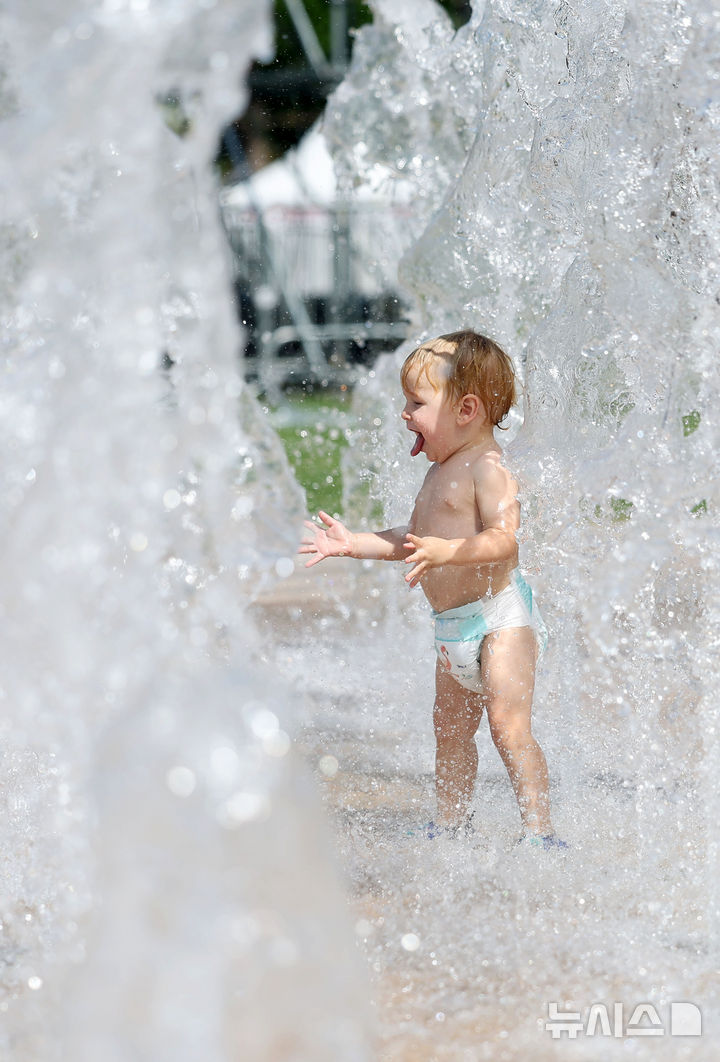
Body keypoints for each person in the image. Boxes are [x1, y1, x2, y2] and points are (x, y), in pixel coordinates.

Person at [299, 330, 565, 849]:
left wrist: (448, 551)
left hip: (498, 621)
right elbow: (413, 540)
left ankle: (538, 831)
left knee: (508, 729)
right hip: (453, 630)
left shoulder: (489, 469)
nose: (405, 413)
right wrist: (353, 543)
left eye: (417, 403)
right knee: (449, 733)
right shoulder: (444, 469)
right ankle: (451, 825)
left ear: (466, 408)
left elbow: (505, 542)